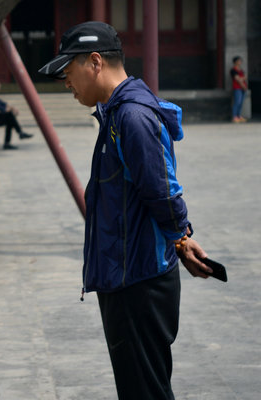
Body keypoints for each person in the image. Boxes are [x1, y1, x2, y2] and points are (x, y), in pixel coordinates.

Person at [39, 21, 213, 399]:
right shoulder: (117, 112)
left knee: (145, 390)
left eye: (69, 72)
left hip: (138, 280)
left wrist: (181, 237)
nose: (66, 83)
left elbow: (162, 191)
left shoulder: (132, 117)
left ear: (95, 62)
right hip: (127, 275)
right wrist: (180, 240)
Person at [230, 56, 247, 123]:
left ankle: (239, 116)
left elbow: (244, 77)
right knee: (237, 102)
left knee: (241, 103)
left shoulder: (241, 70)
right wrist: (243, 84)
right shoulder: (233, 70)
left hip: (243, 88)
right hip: (237, 88)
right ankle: (234, 116)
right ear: (235, 62)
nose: (240, 62)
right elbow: (237, 79)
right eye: (239, 60)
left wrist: (242, 79)